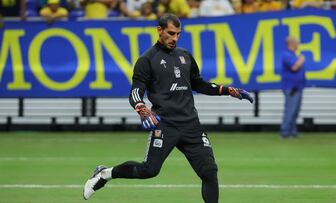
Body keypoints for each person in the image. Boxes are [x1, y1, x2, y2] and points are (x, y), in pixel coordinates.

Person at [83, 13, 253, 203]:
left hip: (191, 125)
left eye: (178, 34)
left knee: (209, 171)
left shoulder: (185, 56)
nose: (175, 38)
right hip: (165, 125)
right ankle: (105, 173)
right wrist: (141, 108)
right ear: (159, 30)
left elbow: (199, 84)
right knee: (149, 170)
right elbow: (135, 92)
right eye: (171, 33)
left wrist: (228, 90)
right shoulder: (147, 60)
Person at [280, 36, 305, 138]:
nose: (298, 45)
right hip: (291, 88)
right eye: (297, 43)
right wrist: (301, 59)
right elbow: (294, 67)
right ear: (292, 44)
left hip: (298, 87)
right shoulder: (287, 55)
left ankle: (293, 132)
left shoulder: (294, 55)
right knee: (290, 110)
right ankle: (285, 132)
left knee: (295, 111)